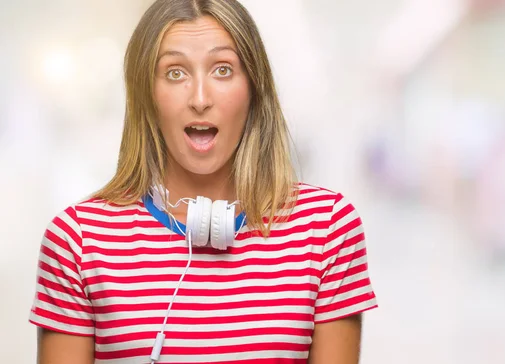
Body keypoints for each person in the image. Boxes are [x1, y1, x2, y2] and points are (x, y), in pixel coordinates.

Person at [29, 0, 378, 363]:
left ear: (253, 88)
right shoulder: (78, 240)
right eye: (175, 73)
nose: (200, 99)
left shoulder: (326, 228)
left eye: (223, 70)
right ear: (146, 95)